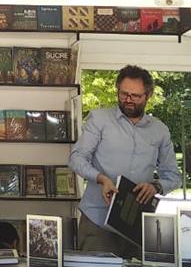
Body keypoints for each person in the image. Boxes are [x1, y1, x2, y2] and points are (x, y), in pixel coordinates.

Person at [68, 65, 181, 259]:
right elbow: (76, 158)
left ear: (148, 95)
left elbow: (173, 176)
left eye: (135, 96)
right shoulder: (99, 119)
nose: (128, 100)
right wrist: (102, 179)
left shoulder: (160, 130)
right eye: (123, 94)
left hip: (137, 223)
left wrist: (156, 186)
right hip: (98, 220)